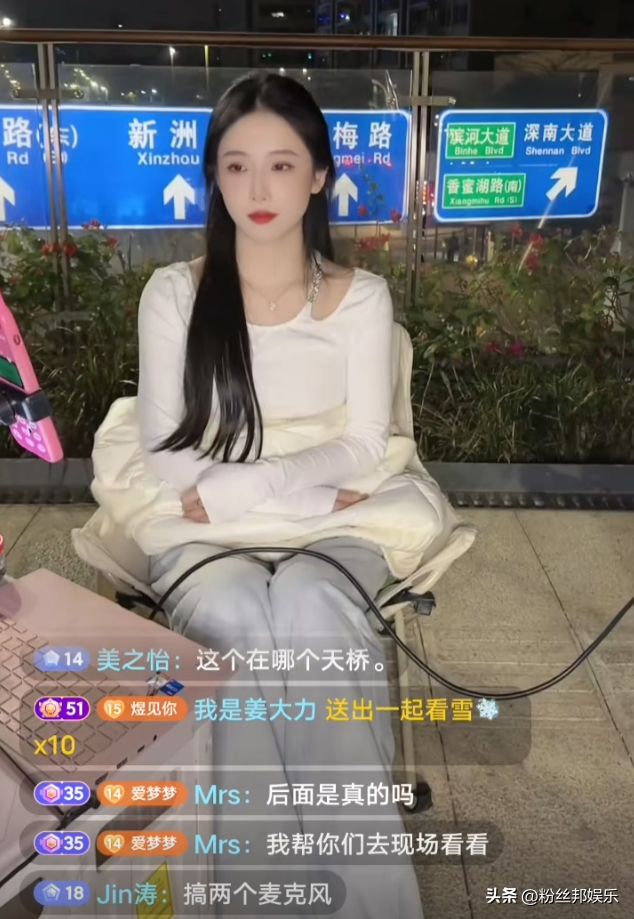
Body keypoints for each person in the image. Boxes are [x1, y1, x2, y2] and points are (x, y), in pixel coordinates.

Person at [138, 71, 425, 919]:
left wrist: (259, 486)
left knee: (312, 606)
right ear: (214, 177)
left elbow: (366, 443)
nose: (258, 190)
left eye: (281, 165)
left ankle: (366, 901)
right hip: (206, 523)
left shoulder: (360, 297)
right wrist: (296, 495)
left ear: (320, 176)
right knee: (230, 617)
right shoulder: (175, 295)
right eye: (236, 166)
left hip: (328, 517)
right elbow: (163, 451)